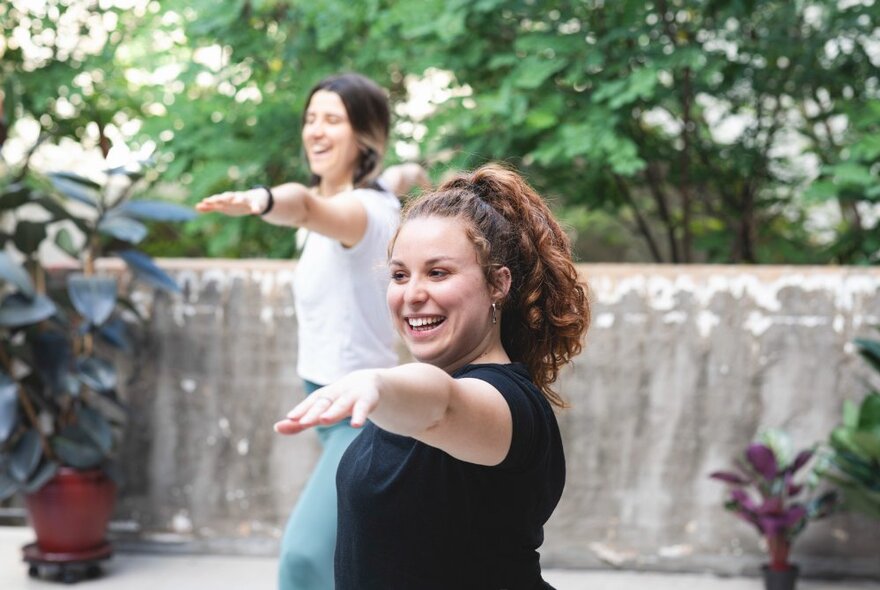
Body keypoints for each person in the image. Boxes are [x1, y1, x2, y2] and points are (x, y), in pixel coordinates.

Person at [274, 164, 591, 589]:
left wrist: (378, 382)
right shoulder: (402, 402)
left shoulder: (509, 404)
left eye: (438, 272)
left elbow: (442, 405)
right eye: (400, 275)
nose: (412, 294)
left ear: (498, 284)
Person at [196, 73, 403, 590]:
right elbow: (337, 194)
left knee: (304, 559)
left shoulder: (362, 212)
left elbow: (306, 206)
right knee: (351, 563)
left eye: (333, 119)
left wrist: (263, 200)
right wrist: (409, 170)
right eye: (311, 118)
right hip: (329, 412)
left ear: (366, 137)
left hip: (361, 418)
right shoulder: (365, 197)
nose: (316, 130)